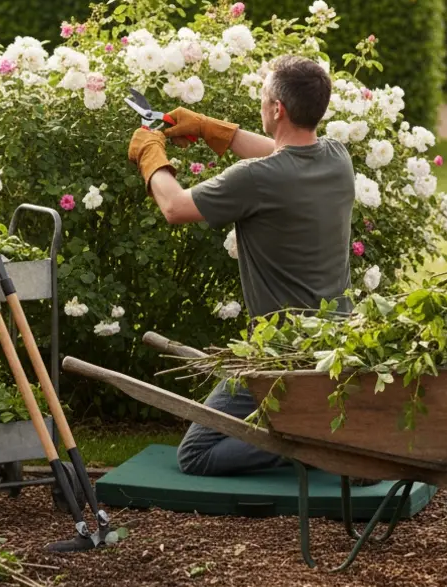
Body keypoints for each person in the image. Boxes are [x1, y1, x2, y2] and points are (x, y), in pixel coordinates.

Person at [126, 54, 355, 477]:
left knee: (196, 454)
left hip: (280, 356)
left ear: (276, 109)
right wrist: (212, 129)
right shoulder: (337, 158)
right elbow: (283, 151)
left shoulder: (256, 178)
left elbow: (175, 207)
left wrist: (150, 156)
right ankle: (313, 431)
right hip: (335, 341)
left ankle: (314, 443)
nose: (261, 102)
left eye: (264, 95)